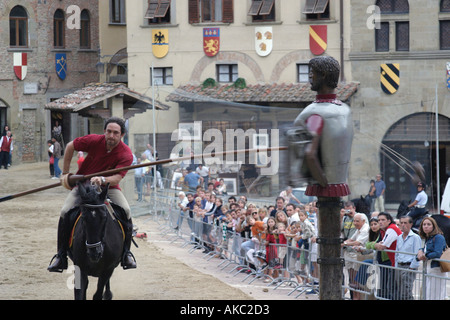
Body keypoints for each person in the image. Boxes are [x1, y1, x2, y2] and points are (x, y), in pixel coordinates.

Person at [48, 117, 136, 272]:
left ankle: (126, 254)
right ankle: (61, 255)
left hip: (110, 187)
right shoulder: (94, 140)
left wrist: (102, 179)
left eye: (115, 133)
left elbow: (117, 177)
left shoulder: (126, 153)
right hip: (83, 186)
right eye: (108, 131)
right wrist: (66, 173)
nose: (111, 135)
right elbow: (70, 146)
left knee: (127, 211)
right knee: (64, 211)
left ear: (122, 135)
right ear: (104, 131)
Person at [416, 217, 448, 300]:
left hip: (437, 270)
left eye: (428, 224)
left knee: (435, 296)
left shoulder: (438, 237)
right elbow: (427, 249)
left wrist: (425, 255)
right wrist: (420, 250)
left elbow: (437, 253)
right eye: (424, 224)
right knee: (428, 295)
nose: (426, 226)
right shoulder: (429, 238)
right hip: (429, 270)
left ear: (434, 226)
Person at [374, 212, 402, 299]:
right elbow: (381, 243)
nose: (380, 222)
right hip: (394, 262)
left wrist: (375, 245)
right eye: (379, 220)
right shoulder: (384, 230)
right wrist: (377, 244)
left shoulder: (391, 228)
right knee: (392, 287)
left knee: (394, 288)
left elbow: (383, 246)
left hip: (398, 263)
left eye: (383, 220)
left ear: (389, 221)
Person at [342, 213, 369, 299]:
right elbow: (352, 239)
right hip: (357, 255)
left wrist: (345, 243)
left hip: (364, 256)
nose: (355, 223)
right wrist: (344, 243)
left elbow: (357, 242)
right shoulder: (358, 229)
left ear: (363, 221)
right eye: (354, 221)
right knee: (352, 278)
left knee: (359, 280)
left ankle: (359, 297)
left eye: (357, 221)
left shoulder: (365, 229)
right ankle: (354, 297)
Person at [394, 216, 422, 300]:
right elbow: (397, 253)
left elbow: (417, 254)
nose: (403, 225)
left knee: (406, 292)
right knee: (400, 291)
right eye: (401, 223)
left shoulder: (415, 237)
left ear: (410, 224)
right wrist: (396, 266)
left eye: (405, 223)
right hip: (399, 266)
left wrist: (411, 268)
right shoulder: (399, 237)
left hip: (408, 266)